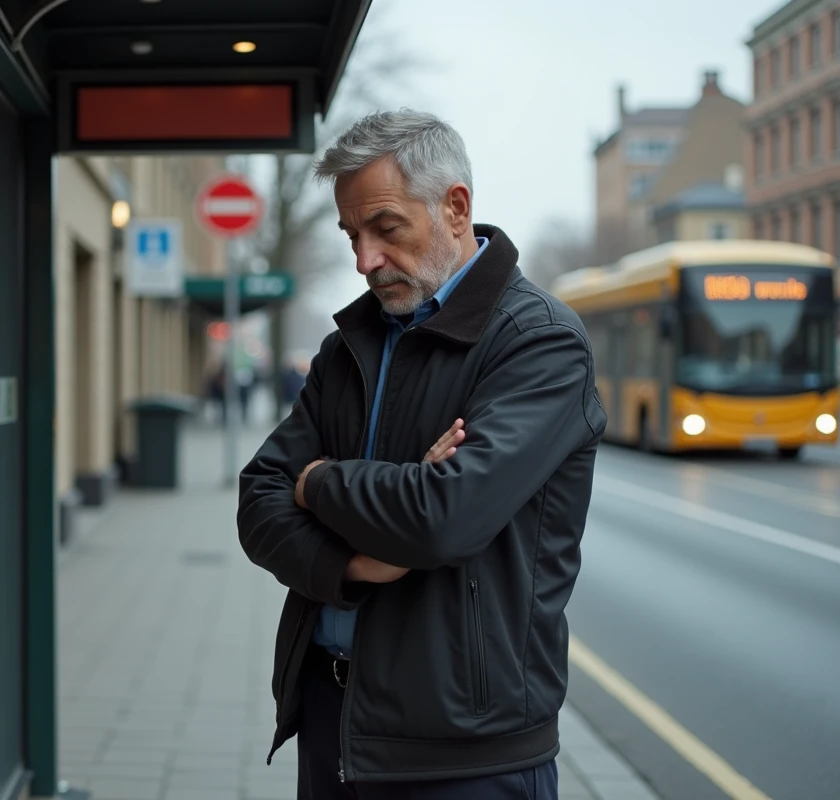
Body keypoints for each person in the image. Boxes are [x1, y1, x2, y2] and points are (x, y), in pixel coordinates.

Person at [237, 110, 607, 799]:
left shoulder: (540, 342)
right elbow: (257, 499)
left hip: (465, 757)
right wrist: (351, 563)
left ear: (455, 208)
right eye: (352, 235)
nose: (364, 260)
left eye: (386, 228)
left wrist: (315, 482)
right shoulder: (345, 348)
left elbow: (443, 519)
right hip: (332, 721)